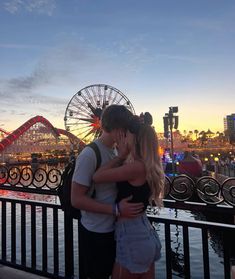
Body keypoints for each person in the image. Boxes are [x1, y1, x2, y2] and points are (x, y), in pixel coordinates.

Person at [71, 105, 144, 279]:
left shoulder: (115, 151)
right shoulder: (89, 155)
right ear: (119, 130)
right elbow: (76, 199)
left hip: (115, 231)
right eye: (126, 130)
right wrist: (116, 210)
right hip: (96, 232)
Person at [93, 113, 165, 279]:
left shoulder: (135, 168)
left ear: (135, 140)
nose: (125, 138)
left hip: (132, 237)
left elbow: (97, 177)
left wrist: (121, 155)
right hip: (145, 233)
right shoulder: (147, 166)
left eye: (128, 135)